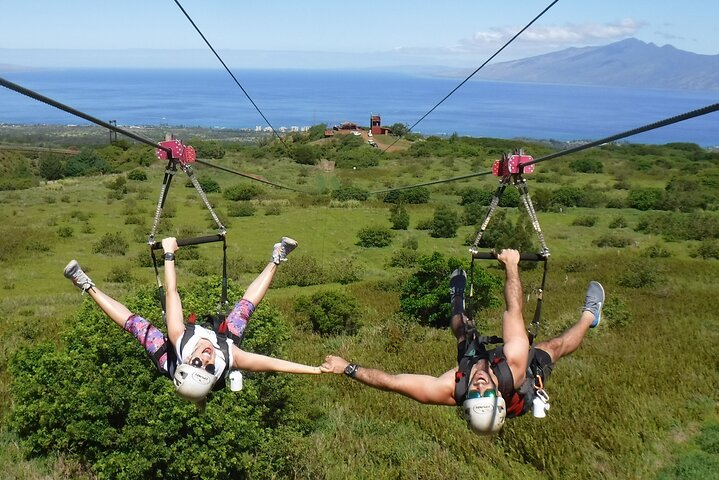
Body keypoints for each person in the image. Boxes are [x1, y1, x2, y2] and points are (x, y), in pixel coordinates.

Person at [322, 249, 605, 435]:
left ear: (465, 399)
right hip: (524, 377)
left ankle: (456, 294)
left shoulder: (448, 389)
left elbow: (392, 382)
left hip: (484, 365)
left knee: (463, 334)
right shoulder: (515, 369)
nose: (479, 385)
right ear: (497, 394)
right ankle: (590, 316)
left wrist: (347, 368)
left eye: (474, 393)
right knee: (553, 348)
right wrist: (511, 267)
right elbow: (513, 310)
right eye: (486, 392)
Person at [64, 236, 325, 405]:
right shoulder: (230, 357)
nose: (207, 358)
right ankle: (277, 257)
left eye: (198, 362)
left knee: (137, 326)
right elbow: (275, 365)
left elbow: (171, 291)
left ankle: (85, 284)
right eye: (209, 367)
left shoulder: (179, 340)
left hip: (170, 356)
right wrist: (316, 370)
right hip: (223, 342)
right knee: (244, 309)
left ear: (189, 359)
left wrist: (169, 253)